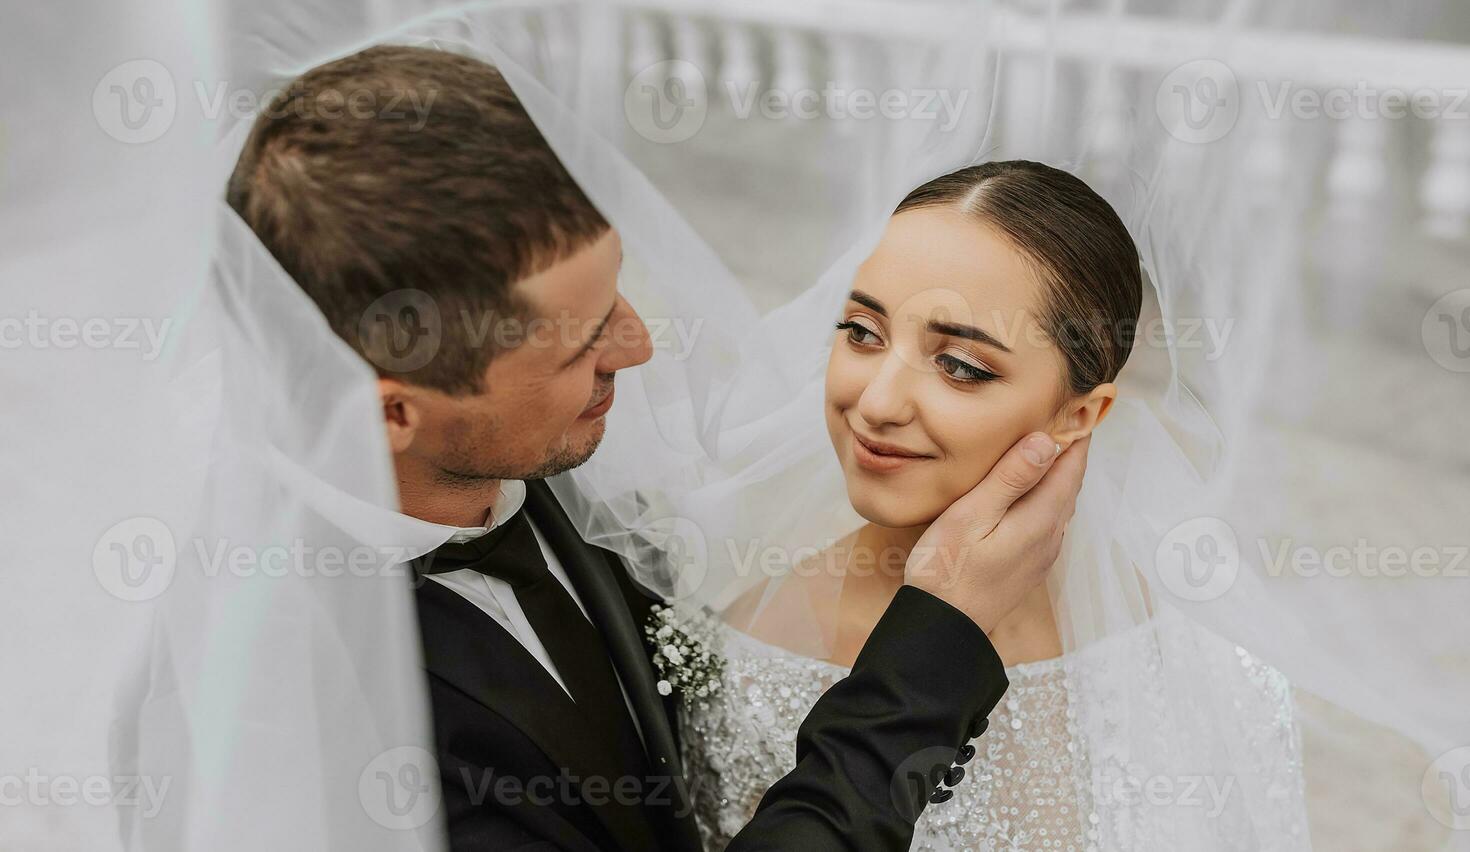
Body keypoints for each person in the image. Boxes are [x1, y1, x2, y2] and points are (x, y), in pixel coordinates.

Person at [225, 44, 1088, 851]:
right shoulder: (308, 717)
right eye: (581, 341)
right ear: (391, 414)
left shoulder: (541, 465)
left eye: (616, 293)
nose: (637, 347)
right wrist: (939, 642)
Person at [680, 163, 1310, 850]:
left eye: (960, 366)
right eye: (862, 332)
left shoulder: (1206, 663)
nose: (877, 403)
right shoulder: (751, 654)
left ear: (1079, 415)